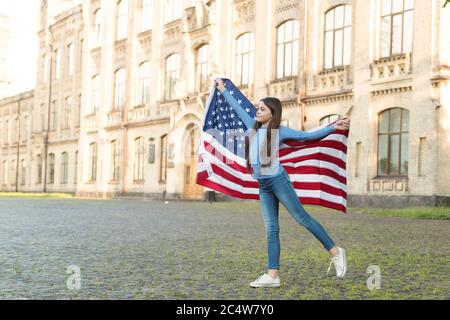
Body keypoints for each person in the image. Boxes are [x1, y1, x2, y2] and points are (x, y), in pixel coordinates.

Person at [214, 78, 350, 288]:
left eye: (261, 109)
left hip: (278, 180)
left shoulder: (281, 132)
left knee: (302, 218)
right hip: (263, 185)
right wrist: (223, 90)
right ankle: (273, 276)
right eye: (257, 108)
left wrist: (333, 127)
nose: (257, 111)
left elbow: (308, 136)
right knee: (271, 229)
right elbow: (237, 107)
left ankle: (336, 252)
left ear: (272, 112)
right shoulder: (253, 127)